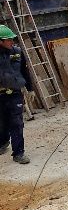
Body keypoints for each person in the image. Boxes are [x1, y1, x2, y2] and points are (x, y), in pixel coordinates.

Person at [0, 25, 32, 164]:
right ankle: (3, 142)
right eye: (8, 40)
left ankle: (18, 153)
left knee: (17, 123)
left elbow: (25, 72)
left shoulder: (17, 52)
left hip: (14, 94)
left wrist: (30, 89)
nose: (12, 42)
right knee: (2, 122)